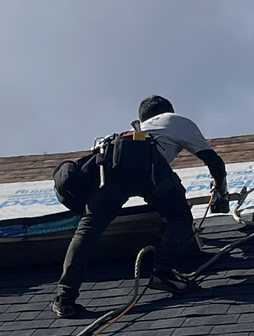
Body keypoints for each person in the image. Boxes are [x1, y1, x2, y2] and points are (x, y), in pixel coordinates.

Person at [53, 96, 229, 319]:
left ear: (142, 118)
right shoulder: (174, 120)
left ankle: (65, 297)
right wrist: (220, 193)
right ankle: (163, 273)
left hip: (110, 170)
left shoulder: (121, 134)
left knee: (87, 231)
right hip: (148, 166)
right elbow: (213, 161)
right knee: (179, 217)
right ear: (167, 111)